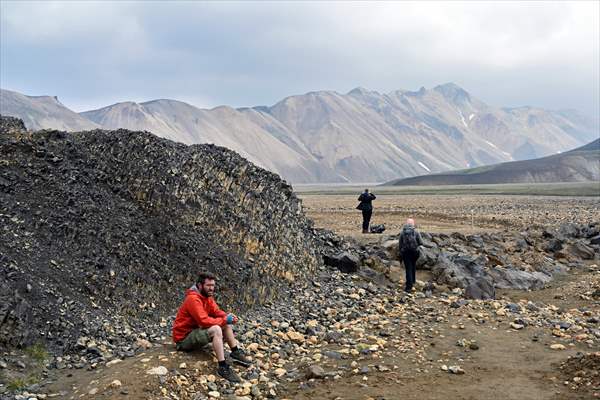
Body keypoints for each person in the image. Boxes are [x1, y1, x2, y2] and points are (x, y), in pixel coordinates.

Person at [172, 271, 251, 382]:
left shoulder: (207, 297)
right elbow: (203, 321)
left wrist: (227, 316)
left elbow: (216, 311)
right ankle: (222, 367)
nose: (211, 288)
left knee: (224, 324)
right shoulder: (193, 299)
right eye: (208, 285)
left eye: (213, 285)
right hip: (183, 339)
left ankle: (235, 352)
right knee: (216, 329)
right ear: (200, 285)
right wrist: (224, 320)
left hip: (194, 332)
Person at [398, 218, 423, 293]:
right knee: (413, 265)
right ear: (413, 224)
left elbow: (400, 244)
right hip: (415, 252)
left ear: (406, 223)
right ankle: (413, 281)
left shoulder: (403, 232)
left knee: (408, 268)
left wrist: (401, 252)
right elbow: (421, 242)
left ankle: (409, 287)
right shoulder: (416, 231)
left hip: (406, 252)